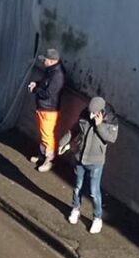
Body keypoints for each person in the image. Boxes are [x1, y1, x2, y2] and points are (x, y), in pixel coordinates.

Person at [58, 96, 119, 234]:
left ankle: (97, 218)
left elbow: (111, 138)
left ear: (101, 111)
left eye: (94, 113)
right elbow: (75, 129)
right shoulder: (85, 114)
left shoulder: (110, 120)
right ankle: (75, 208)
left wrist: (99, 125)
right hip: (81, 157)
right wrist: (63, 142)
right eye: (90, 112)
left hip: (96, 161)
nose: (91, 115)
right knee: (78, 186)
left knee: (93, 191)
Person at [27, 48, 65, 172]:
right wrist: (37, 84)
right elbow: (45, 84)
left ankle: (49, 159)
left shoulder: (58, 75)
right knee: (43, 134)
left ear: (51, 61)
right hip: (43, 108)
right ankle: (42, 155)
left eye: (45, 59)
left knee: (47, 135)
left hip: (49, 110)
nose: (43, 61)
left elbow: (48, 93)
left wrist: (35, 90)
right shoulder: (51, 71)